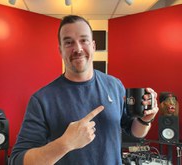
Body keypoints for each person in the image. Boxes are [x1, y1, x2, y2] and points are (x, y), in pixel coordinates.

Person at [9, 15, 159, 165]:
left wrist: (145, 120)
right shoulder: (42, 100)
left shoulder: (115, 85)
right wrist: (64, 144)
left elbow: (134, 132)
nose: (78, 49)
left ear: (93, 46)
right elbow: (17, 160)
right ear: (60, 50)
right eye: (68, 42)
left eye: (84, 40)